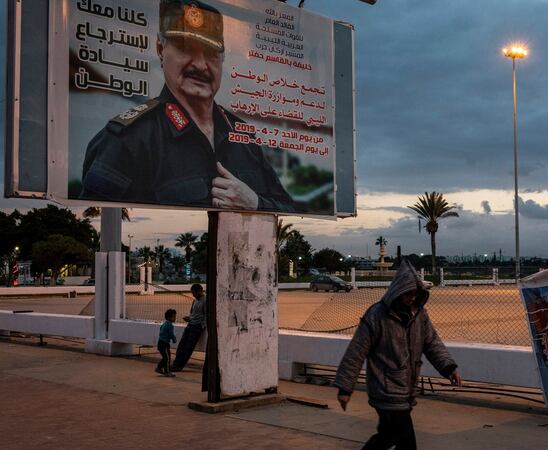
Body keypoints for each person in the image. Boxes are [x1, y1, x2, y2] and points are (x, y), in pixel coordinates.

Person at [80, 0, 296, 212]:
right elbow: (93, 219)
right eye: (185, 48)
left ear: (222, 59)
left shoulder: (242, 136)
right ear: (160, 48)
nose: (200, 65)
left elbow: (289, 210)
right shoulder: (128, 140)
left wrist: (255, 204)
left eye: (211, 54)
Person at [334, 259, 462, 450]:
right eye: (408, 294)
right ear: (398, 291)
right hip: (385, 389)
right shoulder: (377, 315)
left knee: (388, 436)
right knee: (404, 440)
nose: (412, 298)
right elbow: (356, 351)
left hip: (406, 390)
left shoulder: (419, 315)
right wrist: (345, 388)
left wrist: (448, 368)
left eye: (415, 294)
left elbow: (432, 343)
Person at [171, 283, 206, 372]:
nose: (193, 295)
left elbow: (206, 315)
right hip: (191, 324)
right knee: (181, 345)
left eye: (194, 293)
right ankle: (176, 364)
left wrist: (202, 325)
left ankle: (179, 366)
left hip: (197, 326)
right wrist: (189, 318)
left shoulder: (205, 300)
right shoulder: (195, 301)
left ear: (199, 291)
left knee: (188, 347)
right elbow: (192, 313)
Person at [157, 309, 178, 377]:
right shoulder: (170, 325)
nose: (175, 318)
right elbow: (171, 334)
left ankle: (159, 368)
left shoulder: (164, 324)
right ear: (169, 317)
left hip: (160, 343)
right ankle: (167, 372)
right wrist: (174, 339)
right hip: (164, 344)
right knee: (167, 358)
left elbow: (161, 331)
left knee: (166, 357)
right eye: (173, 317)